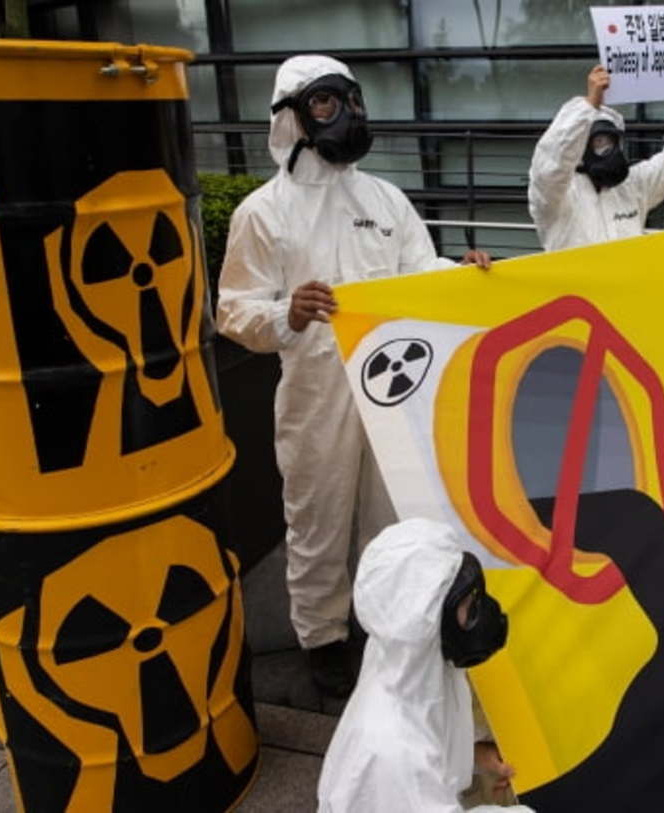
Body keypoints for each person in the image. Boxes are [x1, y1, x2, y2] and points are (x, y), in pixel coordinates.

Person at [216, 55, 491, 697]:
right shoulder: (263, 212)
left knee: (390, 513)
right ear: (292, 117)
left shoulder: (383, 199)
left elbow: (420, 272)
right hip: (316, 392)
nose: (345, 116)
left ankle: (381, 623)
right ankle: (322, 638)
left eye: (349, 101)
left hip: (393, 386)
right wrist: (287, 313)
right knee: (317, 518)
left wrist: (464, 274)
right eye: (325, 103)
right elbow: (232, 310)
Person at [316, 518, 533, 812]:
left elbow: (431, 726)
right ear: (428, 619)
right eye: (469, 604)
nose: (481, 612)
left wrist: (473, 755)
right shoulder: (398, 754)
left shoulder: (405, 655)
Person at [528, 62, 664, 252]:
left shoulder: (632, 186)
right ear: (579, 146)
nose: (605, 149)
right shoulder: (555, 198)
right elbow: (551, 163)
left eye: (609, 142)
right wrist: (588, 106)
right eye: (597, 142)